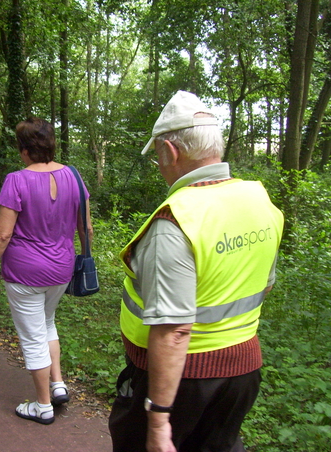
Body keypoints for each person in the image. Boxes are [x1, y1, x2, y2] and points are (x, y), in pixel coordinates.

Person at [108, 91, 284, 452]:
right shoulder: (258, 199)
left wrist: (158, 420)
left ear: (170, 151)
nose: (159, 165)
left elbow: (173, 331)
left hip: (181, 381)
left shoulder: (176, 221)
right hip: (243, 371)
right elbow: (263, 285)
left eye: (157, 155)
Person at [0, 117, 93, 425]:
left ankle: (43, 406)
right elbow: (86, 227)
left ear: (25, 149)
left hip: (25, 272)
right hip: (62, 268)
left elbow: (2, 235)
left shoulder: (17, 180)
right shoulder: (75, 177)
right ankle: (58, 383)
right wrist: (80, 256)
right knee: (47, 322)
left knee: (32, 337)